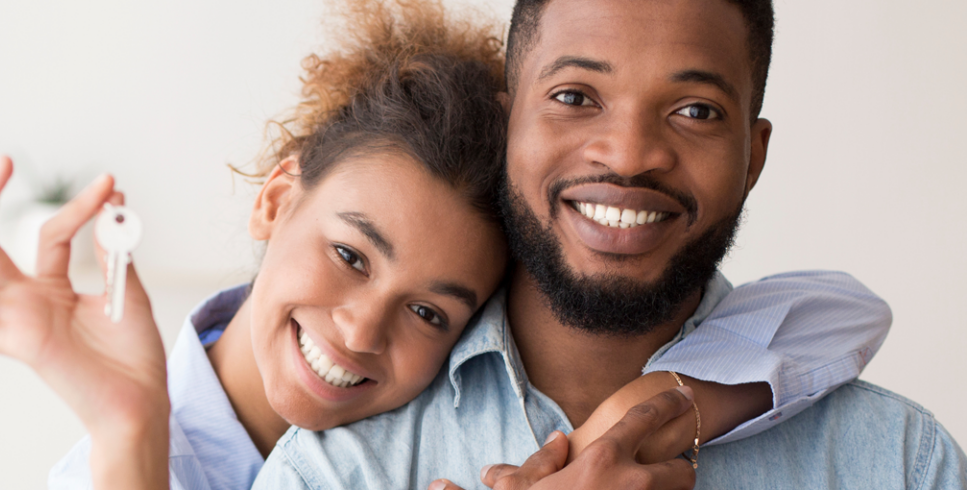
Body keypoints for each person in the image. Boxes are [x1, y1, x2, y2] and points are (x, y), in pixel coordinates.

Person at [0, 1, 892, 489]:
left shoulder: (430, 416)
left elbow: (840, 311)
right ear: (279, 193)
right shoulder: (132, 449)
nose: (358, 332)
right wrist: (127, 432)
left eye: (431, 309)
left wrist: (649, 409)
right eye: (352, 254)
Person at [249, 0, 967, 489]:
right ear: (511, 128)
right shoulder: (337, 470)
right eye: (574, 96)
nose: (628, 155)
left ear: (752, 156)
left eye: (695, 110)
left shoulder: (898, 459)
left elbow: (848, 308)